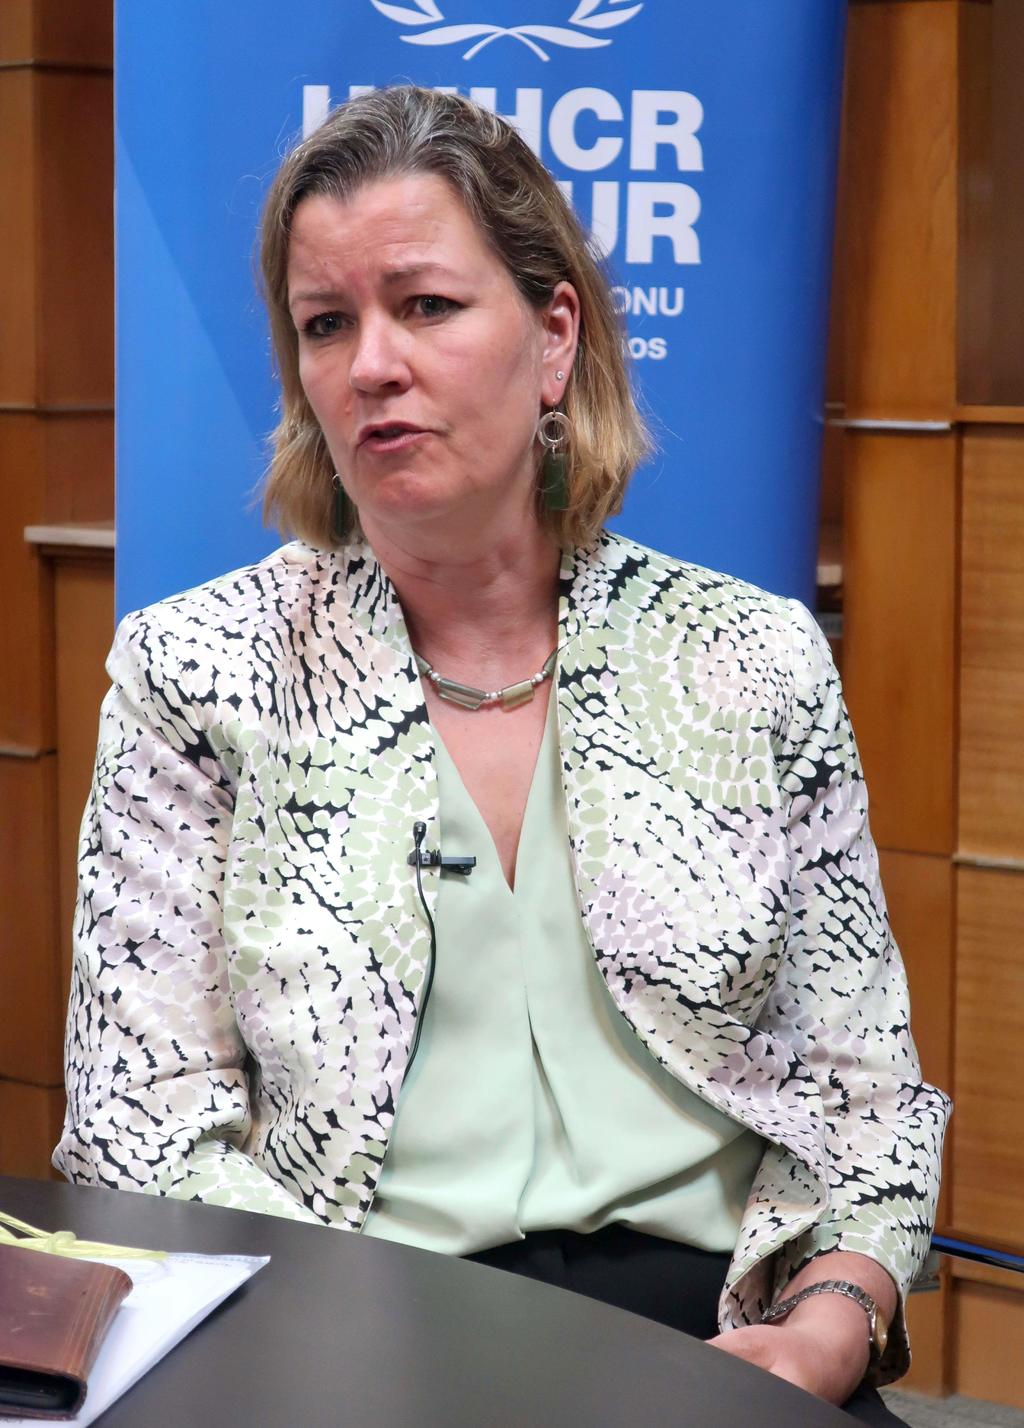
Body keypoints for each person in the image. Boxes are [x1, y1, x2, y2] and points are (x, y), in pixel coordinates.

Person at [55, 86, 949, 1423]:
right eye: (325, 324)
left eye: (425, 305)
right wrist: (353, 1357)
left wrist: (831, 1325)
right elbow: (138, 1123)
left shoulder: (749, 656)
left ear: (553, 337)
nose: (371, 364)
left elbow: (864, 1092)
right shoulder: (196, 672)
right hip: (347, 1332)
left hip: (721, 1333)